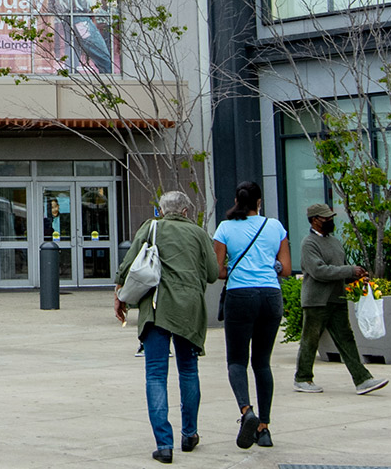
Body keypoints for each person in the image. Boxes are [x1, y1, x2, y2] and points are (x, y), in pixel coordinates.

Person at [115, 191, 219, 464]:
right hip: (190, 310)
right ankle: (190, 434)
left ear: (161, 211)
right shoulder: (198, 234)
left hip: (157, 310)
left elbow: (127, 266)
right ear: (186, 211)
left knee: (156, 376)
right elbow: (211, 274)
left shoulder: (151, 227)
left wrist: (118, 294)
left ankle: (164, 445)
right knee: (188, 370)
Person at [212, 181, 290, 450]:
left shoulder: (225, 228)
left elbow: (217, 270)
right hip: (270, 295)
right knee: (262, 364)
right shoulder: (275, 226)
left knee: (236, 361)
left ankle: (247, 411)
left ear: (237, 200)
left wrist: (236, 268)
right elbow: (287, 269)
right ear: (259, 202)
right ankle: (264, 428)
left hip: (240, 296)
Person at [293, 202, 388, 396]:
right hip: (316, 300)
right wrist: (349, 270)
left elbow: (341, 268)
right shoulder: (308, 243)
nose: (329, 221)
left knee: (346, 338)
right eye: (325, 218)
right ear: (314, 220)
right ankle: (302, 378)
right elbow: (319, 271)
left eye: (331, 217)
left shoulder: (335, 242)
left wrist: (356, 275)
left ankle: (362, 379)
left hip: (337, 298)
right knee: (310, 340)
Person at [47, 0, 113, 73]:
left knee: (72, 48)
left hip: (66, 18)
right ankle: (108, 72)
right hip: (80, 16)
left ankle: (72, 73)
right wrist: (89, 9)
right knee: (96, 46)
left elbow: (50, 5)